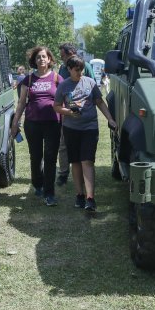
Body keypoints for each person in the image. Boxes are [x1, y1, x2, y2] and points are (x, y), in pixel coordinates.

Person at [54, 55, 116, 212]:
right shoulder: (63, 86)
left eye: (81, 69)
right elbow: (56, 106)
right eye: (76, 70)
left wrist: (110, 119)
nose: (80, 73)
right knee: (75, 162)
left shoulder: (90, 82)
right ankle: (79, 195)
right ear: (69, 69)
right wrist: (68, 112)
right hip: (71, 129)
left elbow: (100, 102)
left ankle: (90, 198)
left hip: (89, 127)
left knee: (87, 161)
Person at [10, 47, 63, 206]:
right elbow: (21, 103)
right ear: (34, 60)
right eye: (38, 57)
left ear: (49, 59)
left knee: (50, 157)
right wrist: (15, 123)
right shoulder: (28, 79)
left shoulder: (56, 78)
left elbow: (66, 100)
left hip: (53, 123)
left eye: (44, 57)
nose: (41, 59)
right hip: (32, 123)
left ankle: (49, 193)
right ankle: (37, 184)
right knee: (36, 156)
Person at [55, 44, 95, 187]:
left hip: (84, 115)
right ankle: (64, 173)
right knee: (63, 145)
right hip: (67, 112)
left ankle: (84, 176)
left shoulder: (87, 66)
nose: (62, 58)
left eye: (63, 55)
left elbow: (92, 89)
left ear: (70, 53)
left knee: (83, 148)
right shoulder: (62, 68)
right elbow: (61, 88)